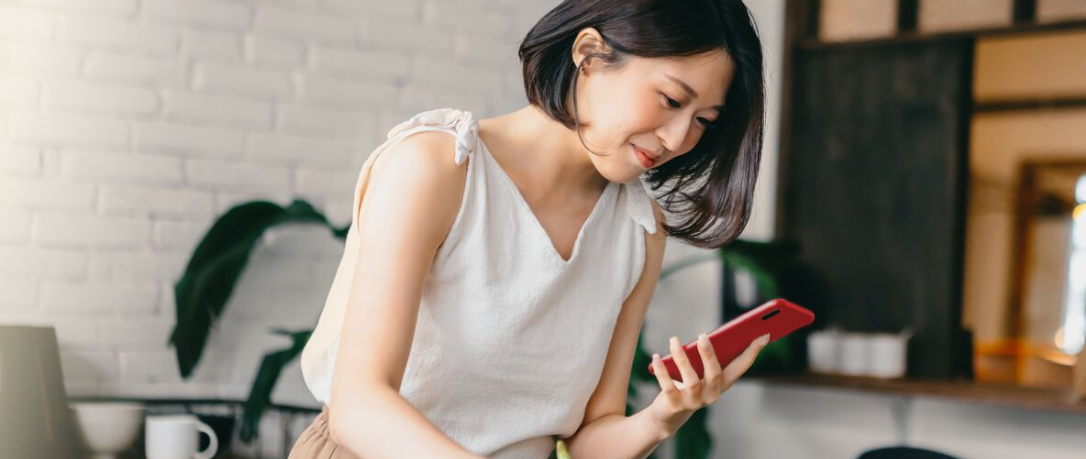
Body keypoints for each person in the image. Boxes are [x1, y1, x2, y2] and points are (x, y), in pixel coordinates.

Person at [288, 0, 768, 457]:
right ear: (588, 54)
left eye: (703, 121)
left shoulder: (639, 229)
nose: (678, 138)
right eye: (670, 99)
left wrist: (662, 417)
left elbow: (586, 441)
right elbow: (358, 405)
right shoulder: (438, 168)